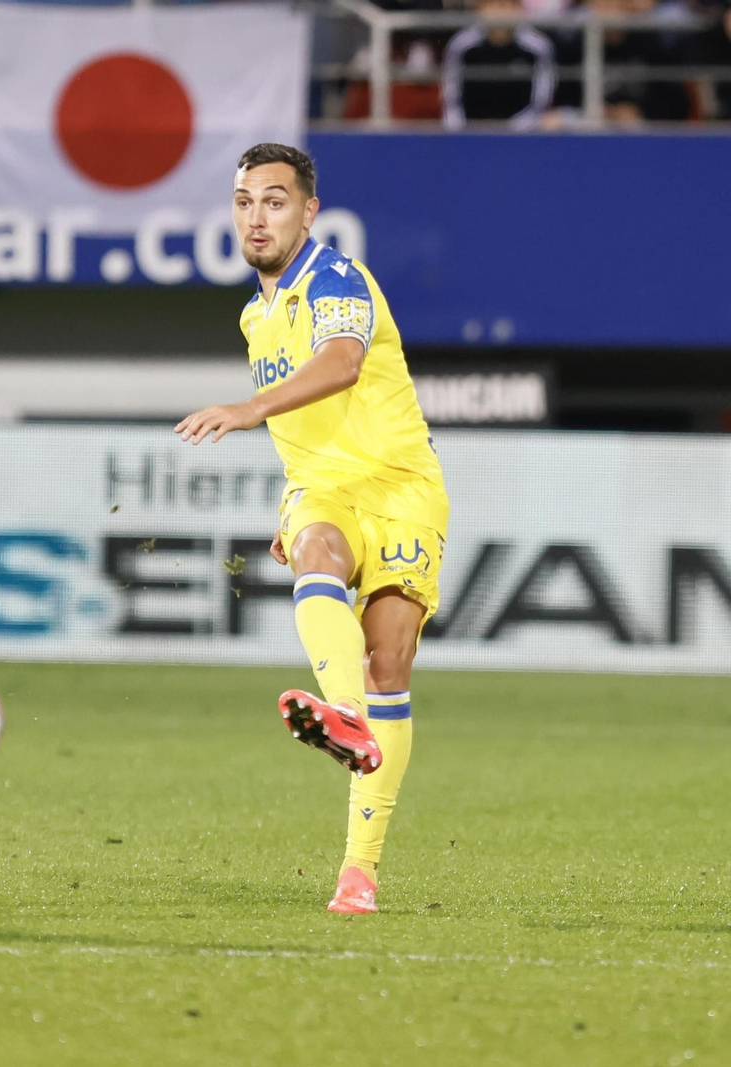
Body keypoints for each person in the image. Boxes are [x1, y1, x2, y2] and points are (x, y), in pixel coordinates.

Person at [174, 144, 449, 916]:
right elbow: (309, 417)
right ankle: (346, 720)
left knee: (389, 662)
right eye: (243, 201)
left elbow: (340, 364)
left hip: (403, 489)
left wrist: (244, 409)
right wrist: (290, 501)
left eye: (273, 200)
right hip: (322, 488)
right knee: (316, 553)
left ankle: (359, 870)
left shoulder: (335, 279)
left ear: (307, 211)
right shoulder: (255, 314)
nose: (255, 216)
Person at [442, 0, 558, 128]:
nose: (499, 13)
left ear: (519, 10)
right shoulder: (461, 46)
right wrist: (460, 130)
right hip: (471, 132)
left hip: (522, 133)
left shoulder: (538, 47)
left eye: (506, 6)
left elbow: (540, 101)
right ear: (479, 10)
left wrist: (511, 131)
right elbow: (452, 98)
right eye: (492, 5)